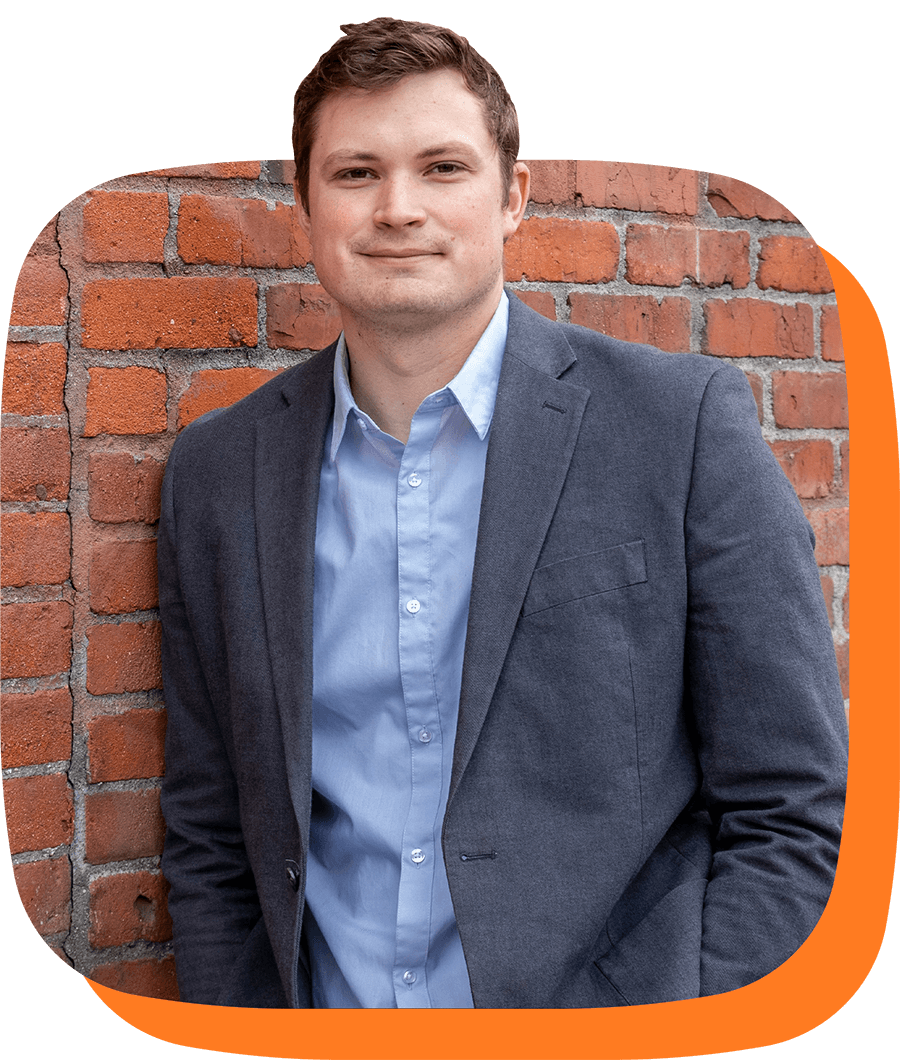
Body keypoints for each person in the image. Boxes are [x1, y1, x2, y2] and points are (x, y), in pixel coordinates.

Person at [158, 18, 848, 1009]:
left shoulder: (678, 427)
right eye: (356, 173)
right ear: (304, 203)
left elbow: (794, 807)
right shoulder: (218, 475)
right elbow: (214, 831)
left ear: (513, 195)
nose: (399, 208)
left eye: (442, 168)